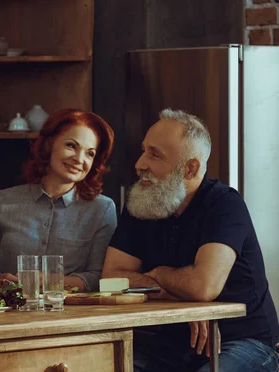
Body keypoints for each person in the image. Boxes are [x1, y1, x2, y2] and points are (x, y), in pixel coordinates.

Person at [102, 109, 279, 372]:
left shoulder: (224, 204)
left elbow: (203, 286)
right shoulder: (142, 201)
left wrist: (159, 274)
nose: (140, 163)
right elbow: (111, 278)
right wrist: (186, 303)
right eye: (143, 151)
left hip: (242, 342)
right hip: (168, 343)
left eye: (154, 154)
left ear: (190, 167)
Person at [0, 109, 117, 291]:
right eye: (71, 146)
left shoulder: (102, 209)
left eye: (90, 153)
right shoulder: (3, 201)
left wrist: (50, 280)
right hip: (7, 311)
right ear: (48, 145)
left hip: (72, 315)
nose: (79, 159)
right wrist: (1, 284)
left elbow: (98, 276)